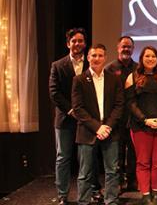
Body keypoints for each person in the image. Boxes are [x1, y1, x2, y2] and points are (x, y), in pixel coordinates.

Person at [72, 44, 124, 205]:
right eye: (93, 55)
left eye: (100, 55)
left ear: (105, 58)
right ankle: (83, 201)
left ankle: (111, 201)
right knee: (85, 172)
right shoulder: (79, 80)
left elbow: (119, 105)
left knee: (112, 171)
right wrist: (97, 127)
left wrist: (107, 126)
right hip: (88, 131)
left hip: (110, 130)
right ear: (88, 58)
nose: (97, 58)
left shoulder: (114, 79)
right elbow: (78, 108)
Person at [125, 46, 157, 205]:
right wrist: (145, 120)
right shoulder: (132, 77)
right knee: (143, 162)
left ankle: (155, 192)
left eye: (153, 56)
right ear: (141, 58)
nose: (150, 59)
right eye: (147, 56)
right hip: (141, 126)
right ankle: (146, 194)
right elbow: (130, 103)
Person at [49, 28, 89, 205]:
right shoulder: (57, 65)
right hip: (65, 118)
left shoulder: (91, 63)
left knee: (86, 158)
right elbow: (54, 92)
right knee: (63, 157)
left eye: (80, 41)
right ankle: (62, 194)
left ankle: (86, 194)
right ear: (68, 44)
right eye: (74, 41)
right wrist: (71, 110)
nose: (77, 44)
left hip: (87, 119)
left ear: (85, 44)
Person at [105, 36, 138, 191]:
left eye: (129, 47)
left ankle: (132, 180)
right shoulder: (109, 68)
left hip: (133, 117)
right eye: (123, 46)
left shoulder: (138, 68)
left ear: (133, 49)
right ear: (118, 48)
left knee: (133, 151)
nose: (126, 49)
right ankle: (117, 182)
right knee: (117, 152)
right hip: (116, 117)